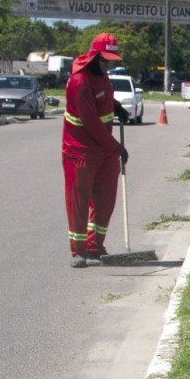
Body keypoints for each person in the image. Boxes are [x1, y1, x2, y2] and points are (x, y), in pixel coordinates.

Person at [62, 33, 131, 268]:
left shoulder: (102, 76)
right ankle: (78, 251)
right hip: (80, 151)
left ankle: (95, 245)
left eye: (112, 60)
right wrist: (117, 148)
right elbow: (91, 123)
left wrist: (117, 107)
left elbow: (102, 98)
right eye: (105, 59)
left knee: (106, 199)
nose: (109, 64)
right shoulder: (79, 82)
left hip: (103, 149)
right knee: (79, 201)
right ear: (94, 56)